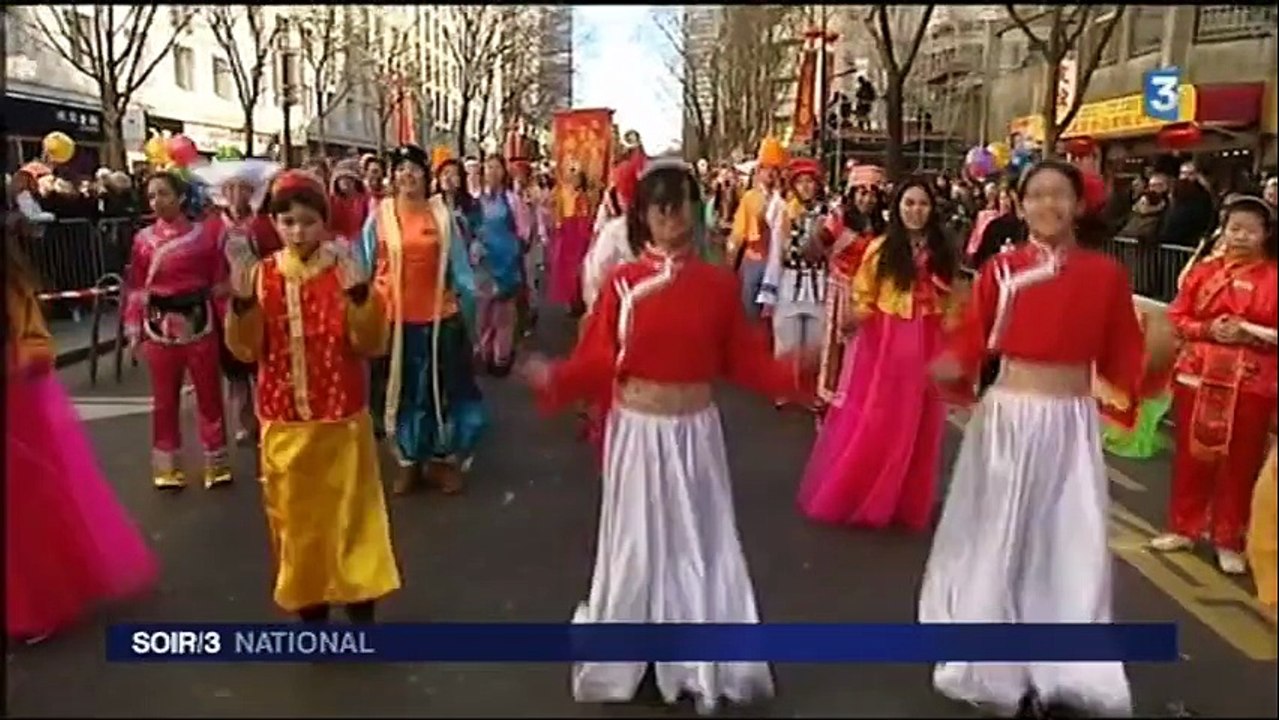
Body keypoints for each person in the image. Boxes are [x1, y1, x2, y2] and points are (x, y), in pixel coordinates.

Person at [517, 159, 810, 713]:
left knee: (697, 540)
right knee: (636, 540)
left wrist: (793, 375)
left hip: (695, 434)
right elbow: (600, 358)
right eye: (661, 207)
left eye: (682, 205)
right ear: (643, 217)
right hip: (638, 431)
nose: (673, 217)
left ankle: (693, 655)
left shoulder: (718, 287)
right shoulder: (624, 285)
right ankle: (636, 652)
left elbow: (744, 361)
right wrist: (558, 377)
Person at [919, 160, 1168, 718]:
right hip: (1007, 419)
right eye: (1036, 196)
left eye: (1059, 196)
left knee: (1068, 539)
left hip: (1070, 421)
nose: (1047, 206)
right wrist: (948, 364)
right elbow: (974, 340)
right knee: (999, 535)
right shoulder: (1000, 271)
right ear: (1019, 204)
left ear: (1079, 205)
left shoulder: (1105, 276)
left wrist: (1157, 358)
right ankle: (992, 660)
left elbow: (1123, 353)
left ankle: (1067, 663)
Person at [223, 169, 399, 623]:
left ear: (324, 223)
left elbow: (372, 343)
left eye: (307, 221)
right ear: (276, 225)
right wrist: (241, 306)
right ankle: (310, 602)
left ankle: (361, 599)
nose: (298, 231)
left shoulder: (344, 274)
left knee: (352, 513)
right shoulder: (262, 277)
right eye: (288, 222)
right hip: (284, 422)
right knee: (297, 520)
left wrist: (362, 297)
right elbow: (245, 349)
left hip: (341, 417)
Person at [6, 239, 157, 642]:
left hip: (15, 406)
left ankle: (38, 603)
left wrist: (15, 364)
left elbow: (37, 344)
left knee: (24, 509)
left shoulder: (12, 285)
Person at [1150, 194, 1278, 575]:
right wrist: (1208, 329)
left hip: (1250, 381)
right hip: (1199, 375)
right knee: (1192, 457)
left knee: (1241, 462)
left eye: (1250, 230)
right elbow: (1178, 315)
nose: (1240, 236)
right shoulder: (1203, 272)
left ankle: (1229, 538)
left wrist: (1247, 332)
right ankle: (1183, 527)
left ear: (1265, 234)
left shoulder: (1273, 278)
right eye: (1234, 228)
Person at [357, 144, 486, 496]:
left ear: (426, 175)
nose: (407, 175)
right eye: (400, 169)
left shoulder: (442, 216)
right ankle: (408, 461)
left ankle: (441, 460)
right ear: (392, 176)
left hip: (439, 318)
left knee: (442, 390)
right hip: (394, 322)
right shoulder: (379, 216)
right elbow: (364, 268)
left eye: (414, 168)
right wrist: (360, 317)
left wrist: (470, 318)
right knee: (400, 393)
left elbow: (460, 271)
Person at [123, 171, 231, 489]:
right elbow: (138, 287)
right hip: (159, 324)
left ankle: (216, 460)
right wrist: (133, 326)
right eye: (152, 195)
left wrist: (230, 324)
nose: (157, 201)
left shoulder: (205, 236)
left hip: (200, 320)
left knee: (209, 394)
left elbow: (219, 283)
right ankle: (167, 464)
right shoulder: (143, 241)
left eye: (163, 194)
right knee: (164, 399)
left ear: (180, 197)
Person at [195, 158, 283, 446]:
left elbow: (275, 259)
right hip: (226, 308)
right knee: (234, 371)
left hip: (260, 301)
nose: (237, 195)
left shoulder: (263, 224)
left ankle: (266, 416)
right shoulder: (212, 226)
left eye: (243, 189)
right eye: (231, 188)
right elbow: (206, 262)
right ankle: (244, 423)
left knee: (260, 365)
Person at [758, 156, 833, 410]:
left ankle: (811, 390)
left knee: (815, 343)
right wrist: (769, 293)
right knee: (787, 343)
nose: (806, 187)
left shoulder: (830, 214)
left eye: (810, 182)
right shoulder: (785, 212)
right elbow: (776, 253)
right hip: (790, 282)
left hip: (818, 284)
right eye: (800, 182)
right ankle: (784, 388)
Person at [473, 154, 532, 376]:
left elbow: (525, 230)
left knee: (504, 314)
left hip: (507, 262)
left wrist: (515, 250)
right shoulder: (476, 200)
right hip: (483, 263)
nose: (492, 172)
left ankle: (501, 357)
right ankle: (484, 351)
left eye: (496, 168)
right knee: (483, 312)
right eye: (488, 168)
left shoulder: (512, 200)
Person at [729, 138, 787, 318]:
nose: (770, 174)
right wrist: (730, 266)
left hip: (779, 263)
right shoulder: (750, 198)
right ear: (759, 171)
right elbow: (738, 236)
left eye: (775, 169)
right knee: (749, 315)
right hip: (754, 261)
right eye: (766, 168)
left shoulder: (788, 200)